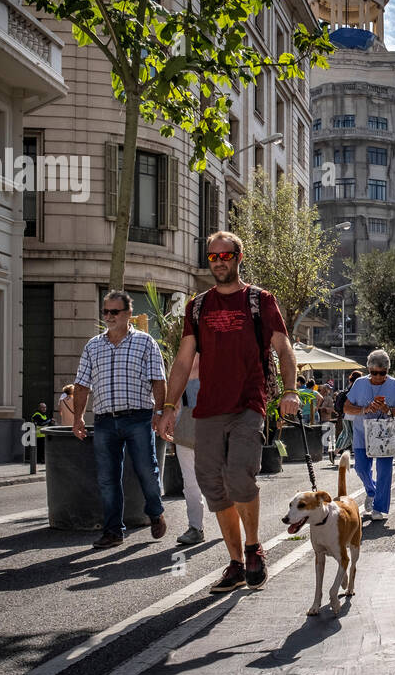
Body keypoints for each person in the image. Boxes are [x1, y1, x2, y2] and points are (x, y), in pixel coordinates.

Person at [157, 231, 301, 592]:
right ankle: (236, 563)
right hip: (207, 410)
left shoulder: (259, 301)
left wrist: (290, 391)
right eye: (212, 256)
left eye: (226, 254)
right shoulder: (198, 306)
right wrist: (170, 407)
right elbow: (182, 360)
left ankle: (254, 548)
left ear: (239, 256)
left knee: (239, 475)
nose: (218, 260)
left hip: (247, 405)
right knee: (214, 488)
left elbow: (284, 349)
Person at [72, 290, 169, 549]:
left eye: (114, 312)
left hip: (138, 418)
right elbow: (81, 384)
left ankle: (155, 511)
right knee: (107, 478)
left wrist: (159, 413)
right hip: (104, 421)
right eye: (105, 312)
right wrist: (78, 418)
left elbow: (158, 380)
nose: (109, 316)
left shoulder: (145, 342)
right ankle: (114, 531)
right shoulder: (93, 346)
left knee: (147, 470)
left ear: (128, 314)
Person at [343, 349, 395, 520]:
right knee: (361, 468)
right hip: (362, 433)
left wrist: (387, 409)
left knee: (384, 470)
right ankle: (372, 491)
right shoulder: (360, 384)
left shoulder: (393, 384)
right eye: (373, 373)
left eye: (382, 373)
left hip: (386, 434)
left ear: (387, 370)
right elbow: (346, 407)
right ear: (368, 369)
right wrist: (364, 409)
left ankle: (379, 508)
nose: (378, 377)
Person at [171, 354, 206, 544]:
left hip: (214, 428)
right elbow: (174, 404)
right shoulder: (180, 369)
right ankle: (195, 527)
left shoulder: (218, 363)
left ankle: (231, 521)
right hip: (185, 428)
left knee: (221, 479)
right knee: (190, 482)